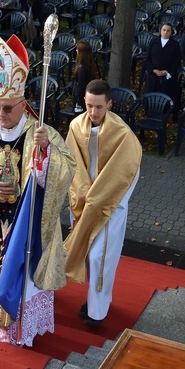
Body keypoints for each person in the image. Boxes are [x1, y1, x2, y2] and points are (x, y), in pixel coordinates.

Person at [0, 34, 76, 346]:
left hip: (27, 223)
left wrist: (46, 157)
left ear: (22, 104)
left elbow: (66, 170)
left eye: (7, 109)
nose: (0, 115)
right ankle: (2, 324)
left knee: (22, 272)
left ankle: (23, 329)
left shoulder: (43, 133)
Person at [64, 79, 142, 327]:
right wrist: (81, 195)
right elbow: (71, 163)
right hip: (84, 201)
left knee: (100, 257)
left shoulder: (122, 134)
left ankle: (97, 313)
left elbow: (129, 170)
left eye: (98, 106)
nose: (93, 112)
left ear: (109, 103)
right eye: (89, 106)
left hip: (109, 205)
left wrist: (109, 200)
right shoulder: (76, 126)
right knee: (88, 257)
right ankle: (98, 300)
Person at [143, 23, 183, 111]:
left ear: (171, 32)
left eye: (168, 31)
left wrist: (167, 71)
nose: (165, 32)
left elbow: (176, 62)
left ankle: (165, 112)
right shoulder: (153, 42)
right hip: (153, 75)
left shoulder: (175, 45)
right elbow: (147, 59)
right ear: (160, 31)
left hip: (167, 76)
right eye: (164, 30)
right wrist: (153, 70)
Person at [71, 40, 96, 111]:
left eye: (77, 50)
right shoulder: (90, 65)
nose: (76, 51)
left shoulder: (82, 68)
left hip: (81, 101)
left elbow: (81, 87)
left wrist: (79, 102)